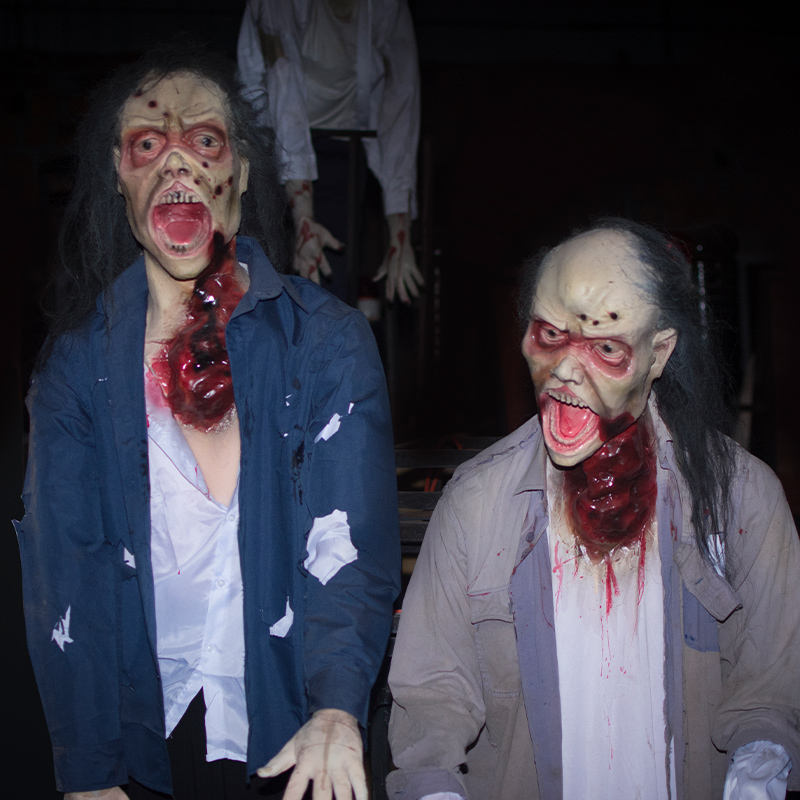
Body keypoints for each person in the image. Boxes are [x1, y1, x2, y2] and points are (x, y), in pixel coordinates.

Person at [15, 42, 399, 800]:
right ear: (118, 177)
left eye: (205, 141)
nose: (177, 164)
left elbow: (352, 544)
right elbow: (67, 569)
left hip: (291, 725)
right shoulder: (77, 369)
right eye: (147, 145)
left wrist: (334, 706)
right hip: (145, 736)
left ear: (242, 174)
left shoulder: (325, 342)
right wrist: (89, 771)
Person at [386, 219, 800, 800]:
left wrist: (762, 759)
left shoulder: (744, 499)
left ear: (659, 354)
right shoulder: (477, 505)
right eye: (550, 334)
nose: (564, 369)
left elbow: (772, 687)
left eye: (605, 348)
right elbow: (432, 700)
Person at [237, 0, 423, 304]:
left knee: (331, 285)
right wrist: (304, 217)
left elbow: (402, 101)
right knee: (266, 276)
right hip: (272, 150)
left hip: (344, 151)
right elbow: (283, 80)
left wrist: (399, 236)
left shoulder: (387, 7)